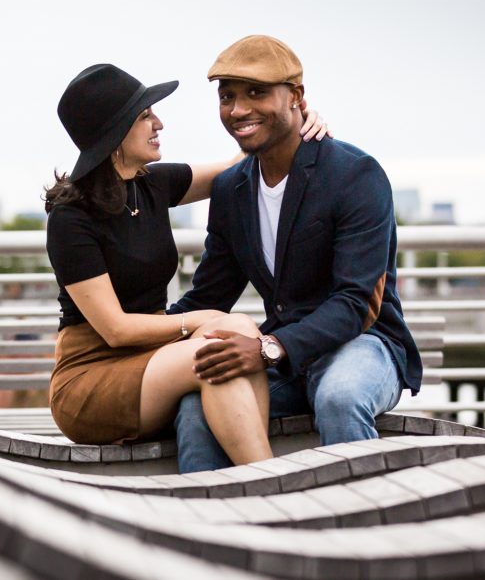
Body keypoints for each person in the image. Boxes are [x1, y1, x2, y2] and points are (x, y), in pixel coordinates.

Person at [44, 63, 328, 465]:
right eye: (144, 116)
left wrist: (295, 122)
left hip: (153, 356)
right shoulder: (71, 217)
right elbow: (116, 329)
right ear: (115, 131)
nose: (158, 123)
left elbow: (239, 167)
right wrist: (196, 320)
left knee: (237, 331)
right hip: (92, 377)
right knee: (214, 351)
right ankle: (268, 480)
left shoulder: (151, 186)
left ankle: (255, 477)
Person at [167, 35, 423, 473]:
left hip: (363, 343)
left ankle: (364, 529)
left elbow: (355, 304)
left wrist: (270, 347)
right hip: (283, 357)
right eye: (227, 97)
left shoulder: (355, 174)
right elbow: (208, 297)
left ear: (296, 97)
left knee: (340, 397)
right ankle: (214, 532)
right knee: (196, 405)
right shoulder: (232, 189)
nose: (238, 109)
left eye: (256, 92)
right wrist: (132, 336)